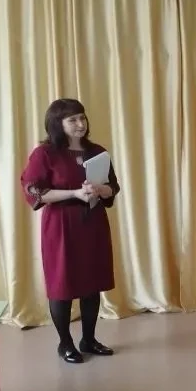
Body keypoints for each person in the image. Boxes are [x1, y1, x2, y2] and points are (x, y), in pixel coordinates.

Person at [20, 98, 120, 364]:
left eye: (82, 117)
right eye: (72, 119)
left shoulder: (97, 151)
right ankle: (65, 343)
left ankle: (89, 339)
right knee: (61, 285)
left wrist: (101, 189)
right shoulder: (45, 154)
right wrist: (75, 193)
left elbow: (113, 187)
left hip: (92, 223)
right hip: (61, 227)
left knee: (92, 283)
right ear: (58, 123)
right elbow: (35, 191)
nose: (80, 123)